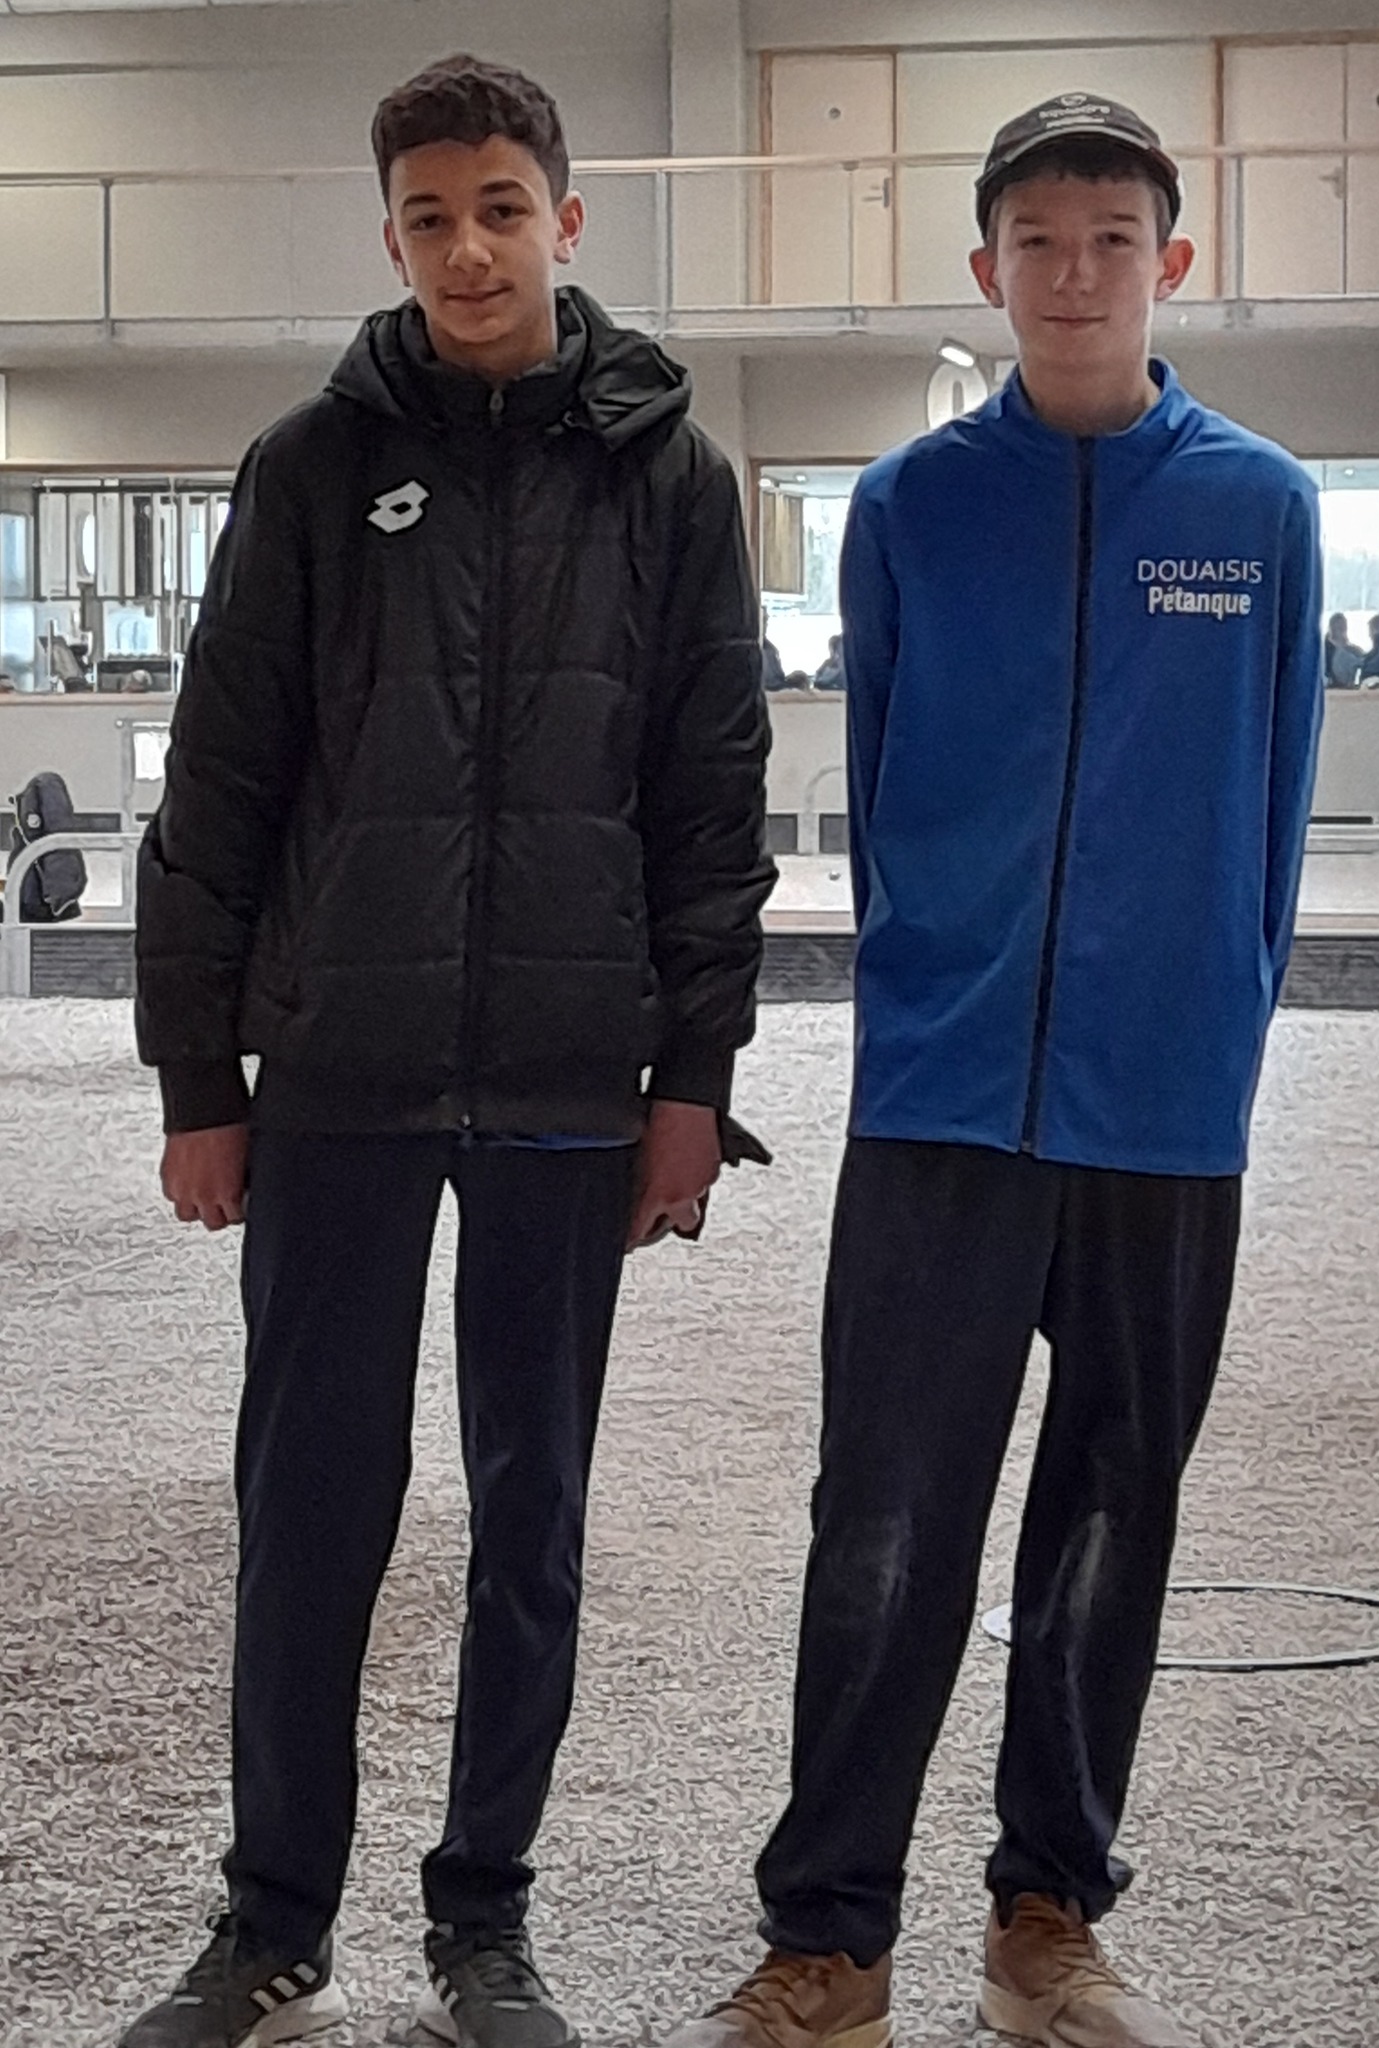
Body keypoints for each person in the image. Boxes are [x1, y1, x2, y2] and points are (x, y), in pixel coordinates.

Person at [125, 53, 774, 2048]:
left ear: (565, 219)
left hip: (574, 1083)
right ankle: (271, 1917)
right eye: (430, 217)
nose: (469, 248)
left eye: (502, 208)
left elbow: (710, 798)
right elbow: (221, 784)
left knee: (531, 1512)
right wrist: (198, 1079)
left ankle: (483, 1916)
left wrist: (694, 1078)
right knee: (308, 1506)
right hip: (341, 1074)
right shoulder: (312, 466)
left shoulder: (671, 476)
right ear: (390, 235)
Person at [662, 93, 1321, 2048]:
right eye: (1038, 242)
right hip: (940, 1101)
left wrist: (1212, 1018)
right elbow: (877, 783)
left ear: (1170, 264)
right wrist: (927, 988)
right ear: (986, 269)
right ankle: (829, 1938)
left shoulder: (1261, 509)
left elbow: (1272, 810)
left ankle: (1047, 1914)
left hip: (1160, 1107)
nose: (1075, 274)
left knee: (1113, 1506)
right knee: (882, 1518)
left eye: (1112, 240)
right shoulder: (909, 508)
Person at [1324, 611, 1362, 688]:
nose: (1341, 628)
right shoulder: (1326, 648)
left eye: (1344, 626)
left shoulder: (1352, 648)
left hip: (1348, 685)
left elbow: (1362, 659)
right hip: (1332, 685)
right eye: (1339, 626)